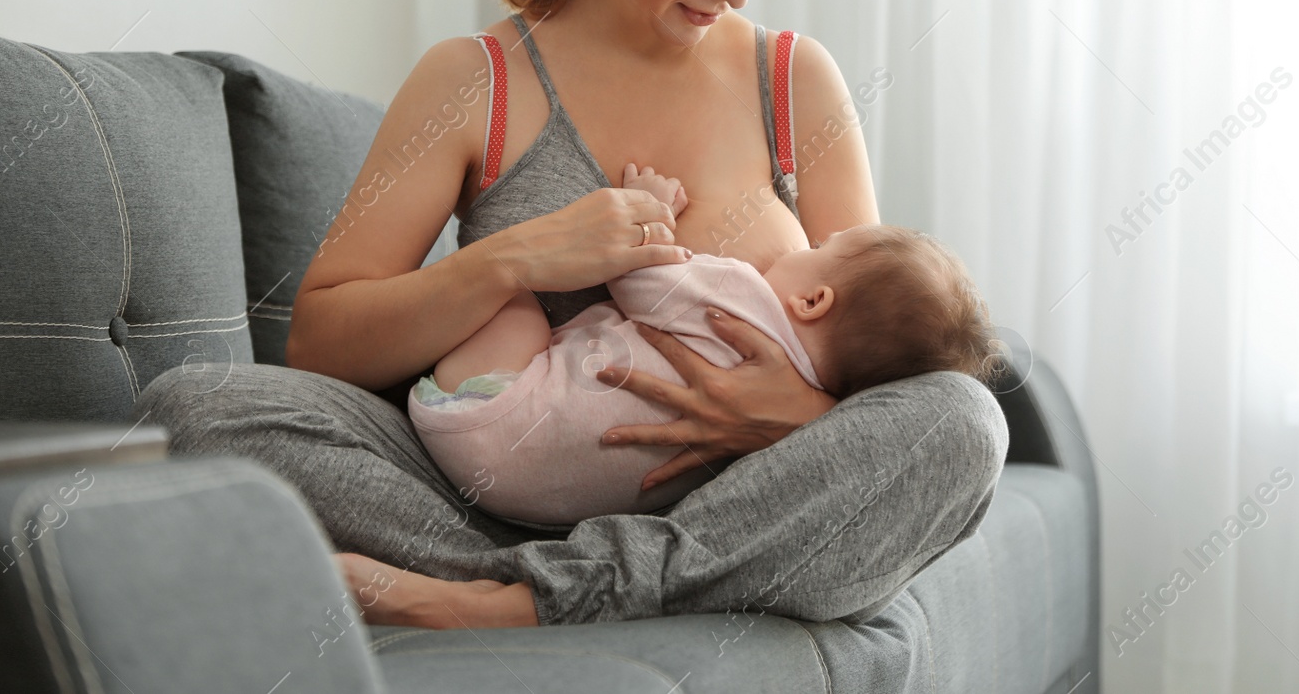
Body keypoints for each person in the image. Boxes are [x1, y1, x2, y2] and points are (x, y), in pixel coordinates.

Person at [133, 0, 1007, 630]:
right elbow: (320, 342)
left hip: (734, 509)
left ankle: (518, 599)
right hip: (485, 498)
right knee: (194, 407)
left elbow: (879, 353)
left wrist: (803, 413)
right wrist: (512, 261)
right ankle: (562, 587)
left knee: (963, 421)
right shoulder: (475, 81)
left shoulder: (794, 82)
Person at [410, 156, 1003, 527]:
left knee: (515, 302)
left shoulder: (739, 297)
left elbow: (636, 271)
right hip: (555, 506)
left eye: (817, 251)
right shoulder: (786, 438)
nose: (803, 249)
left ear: (814, 301)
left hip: (479, 416)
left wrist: (654, 213)